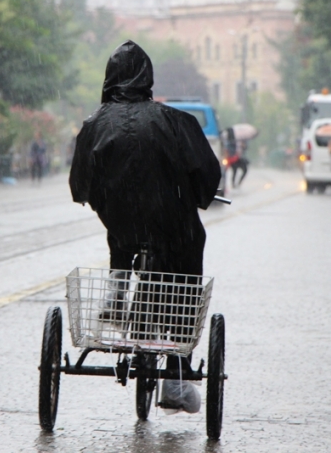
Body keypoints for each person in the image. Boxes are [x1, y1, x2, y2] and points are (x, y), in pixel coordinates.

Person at [69, 41, 221, 413]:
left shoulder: (93, 125)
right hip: (172, 226)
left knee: (121, 229)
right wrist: (197, 196)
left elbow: (80, 186)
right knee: (186, 256)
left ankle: (117, 289)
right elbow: (206, 174)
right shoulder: (175, 122)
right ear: (146, 78)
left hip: (122, 226)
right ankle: (177, 369)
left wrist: (104, 198)